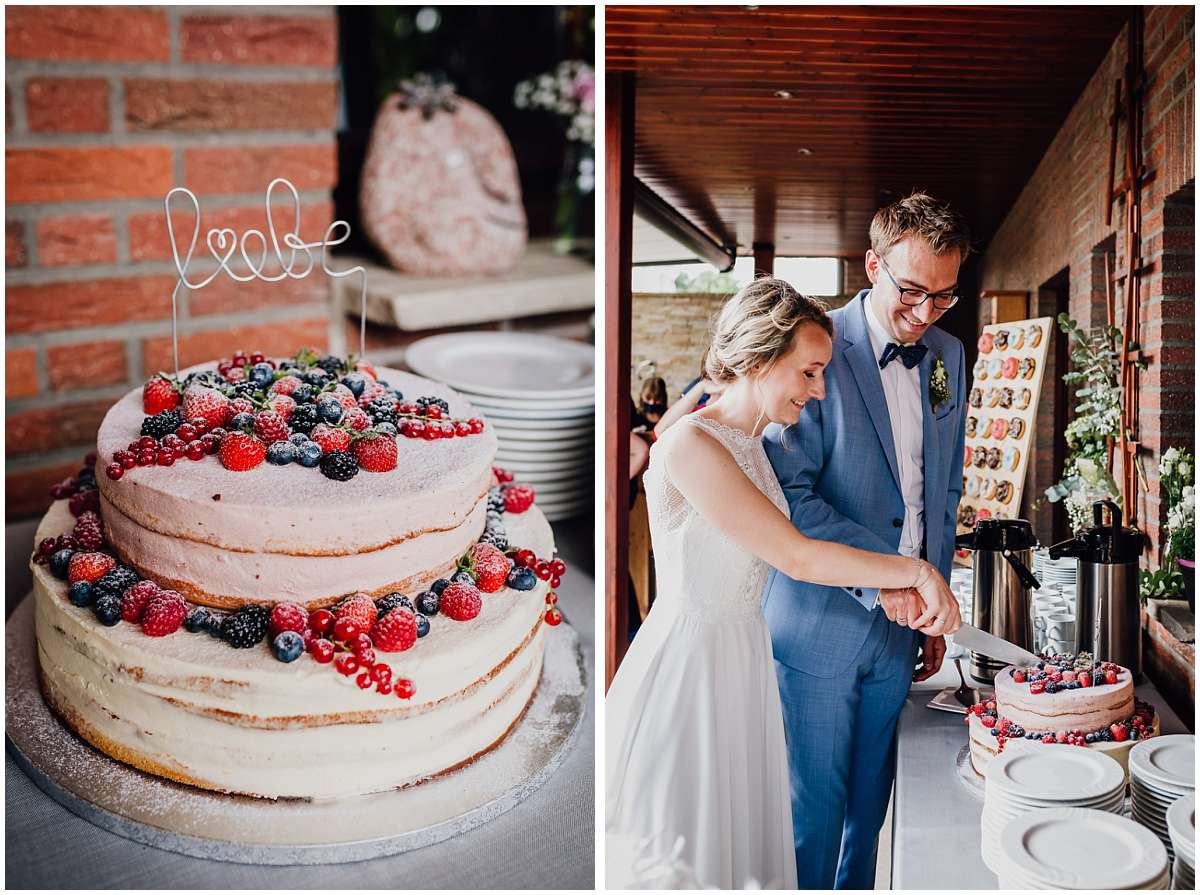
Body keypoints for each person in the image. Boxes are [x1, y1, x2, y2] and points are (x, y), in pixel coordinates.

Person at [605, 277, 961, 889]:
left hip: (744, 656)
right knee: (688, 852)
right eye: (809, 372)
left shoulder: (751, 445)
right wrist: (915, 571)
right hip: (694, 665)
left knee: (748, 842)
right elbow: (798, 557)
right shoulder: (691, 442)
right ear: (762, 359)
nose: (820, 391)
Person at [762, 192, 971, 889]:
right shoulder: (815, 345)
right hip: (819, 621)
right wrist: (888, 577)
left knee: (869, 808)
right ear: (871, 264)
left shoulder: (948, 354)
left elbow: (939, 490)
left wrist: (930, 595)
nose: (923, 313)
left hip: (903, 629)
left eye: (943, 297)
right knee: (813, 815)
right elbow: (788, 495)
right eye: (910, 290)